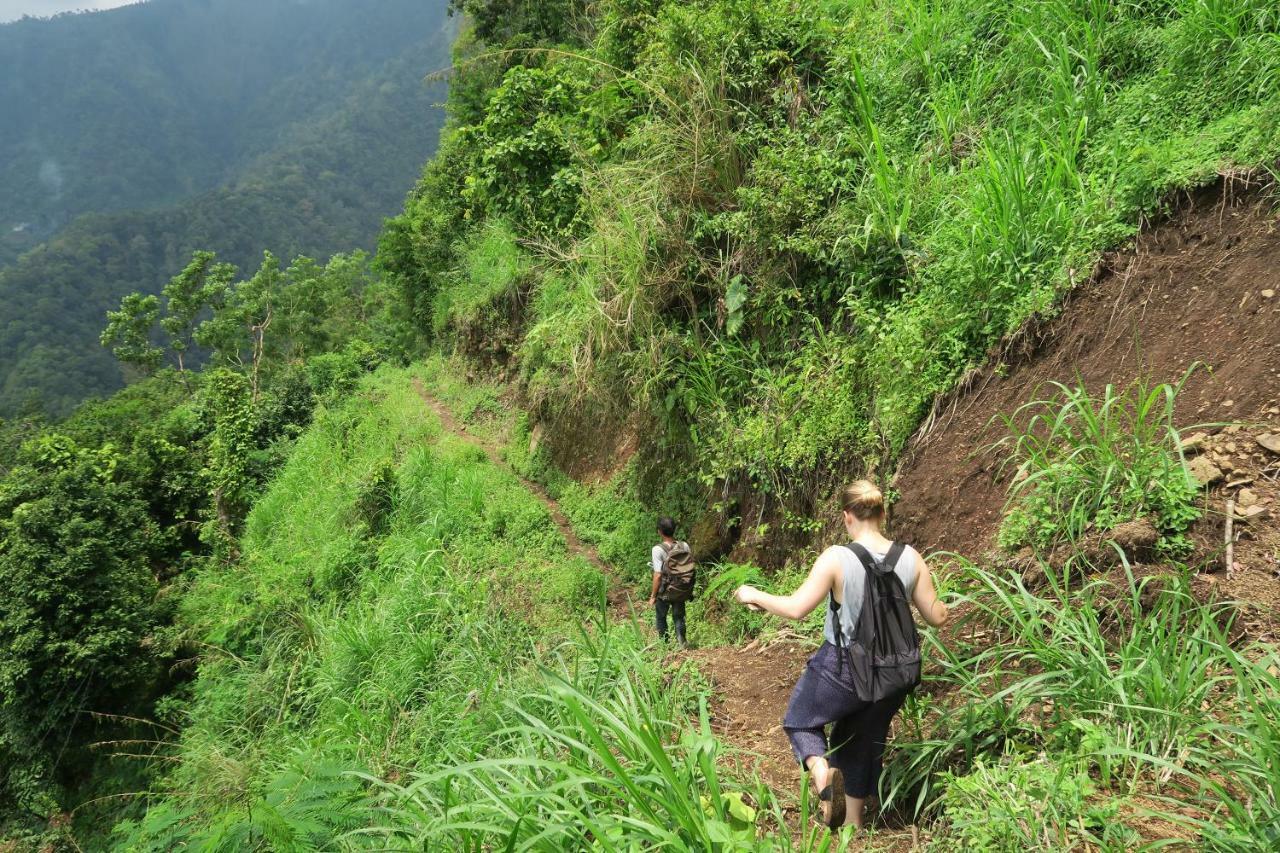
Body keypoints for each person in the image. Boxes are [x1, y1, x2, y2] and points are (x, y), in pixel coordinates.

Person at [733, 480, 948, 831]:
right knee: (864, 738)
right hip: (896, 672)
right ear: (883, 514)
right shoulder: (911, 557)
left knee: (800, 720)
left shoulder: (837, 558)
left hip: (844, 665)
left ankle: (823, 777)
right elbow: (937, 616)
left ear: (847, 517)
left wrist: (753, 594)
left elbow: (796, 608)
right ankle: (853, 824)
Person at [648, 516, 693, 647]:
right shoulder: (684, 545)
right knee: (679, 617)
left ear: (659, 531)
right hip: (681, 588)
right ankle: (682, 643)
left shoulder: (658, 549)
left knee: (661, 617)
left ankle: (665, 646)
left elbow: (657, 575)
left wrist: (653, 596)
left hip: (665, 591)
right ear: (674, 530)